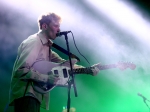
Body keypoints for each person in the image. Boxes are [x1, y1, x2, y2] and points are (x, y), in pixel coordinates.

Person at [9, 12, 100, 112]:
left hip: (33, 95)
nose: (59, 30)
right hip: (26, 94)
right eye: (56, 26)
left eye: (59, 26)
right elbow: (21, 70)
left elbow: (64, 64)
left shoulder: (46, 47)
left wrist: (88, 70)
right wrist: (47, 78)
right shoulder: (34, 42)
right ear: (44, 26)